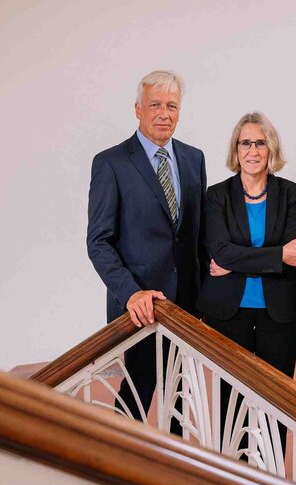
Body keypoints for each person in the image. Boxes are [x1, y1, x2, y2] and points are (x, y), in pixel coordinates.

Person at [87, 70, 207, 432]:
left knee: (182, 393)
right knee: (137, 392)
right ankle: (120, 463)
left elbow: (196, 234)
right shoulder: (111, 163)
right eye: (155, 105)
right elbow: (99, 241)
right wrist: (131, 293)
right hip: (139, 305)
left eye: (172, 106)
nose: (164, 113)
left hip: (185, 305)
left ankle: (171, 470)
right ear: (138, 109)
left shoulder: (193, 158)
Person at [197, 112, 296, 457]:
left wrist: (237, 262)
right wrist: (277, 257)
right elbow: (219, 251)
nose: (252, 150)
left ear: (270, 147)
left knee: (277, 396)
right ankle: (233, 472)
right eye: (245, 142)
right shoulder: (216, 196)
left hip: (280, 312)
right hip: (228, 312)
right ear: (236, 149)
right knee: (230, 396)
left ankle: (272, 473)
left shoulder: (292, 194)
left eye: (260, 142)